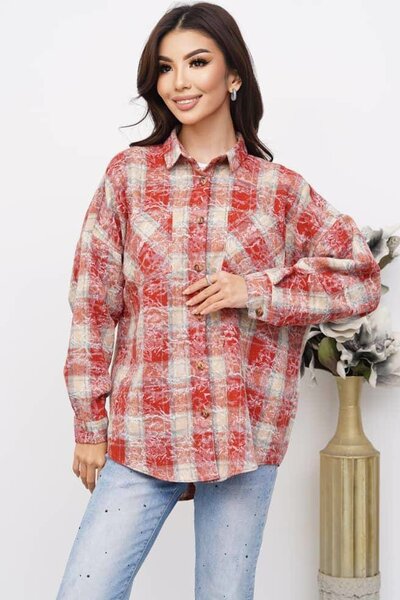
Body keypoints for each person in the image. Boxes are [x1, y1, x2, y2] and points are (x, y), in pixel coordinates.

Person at [56, 2, 381, 599]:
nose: (179, 81)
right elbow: (93, 305)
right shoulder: (128, 178)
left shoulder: (280, 191)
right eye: (165, 67)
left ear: (233, 75)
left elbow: (360, 278)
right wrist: (88, 424)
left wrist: (253, 290)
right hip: (145, 428)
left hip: (243, 434)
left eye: (197, 62)